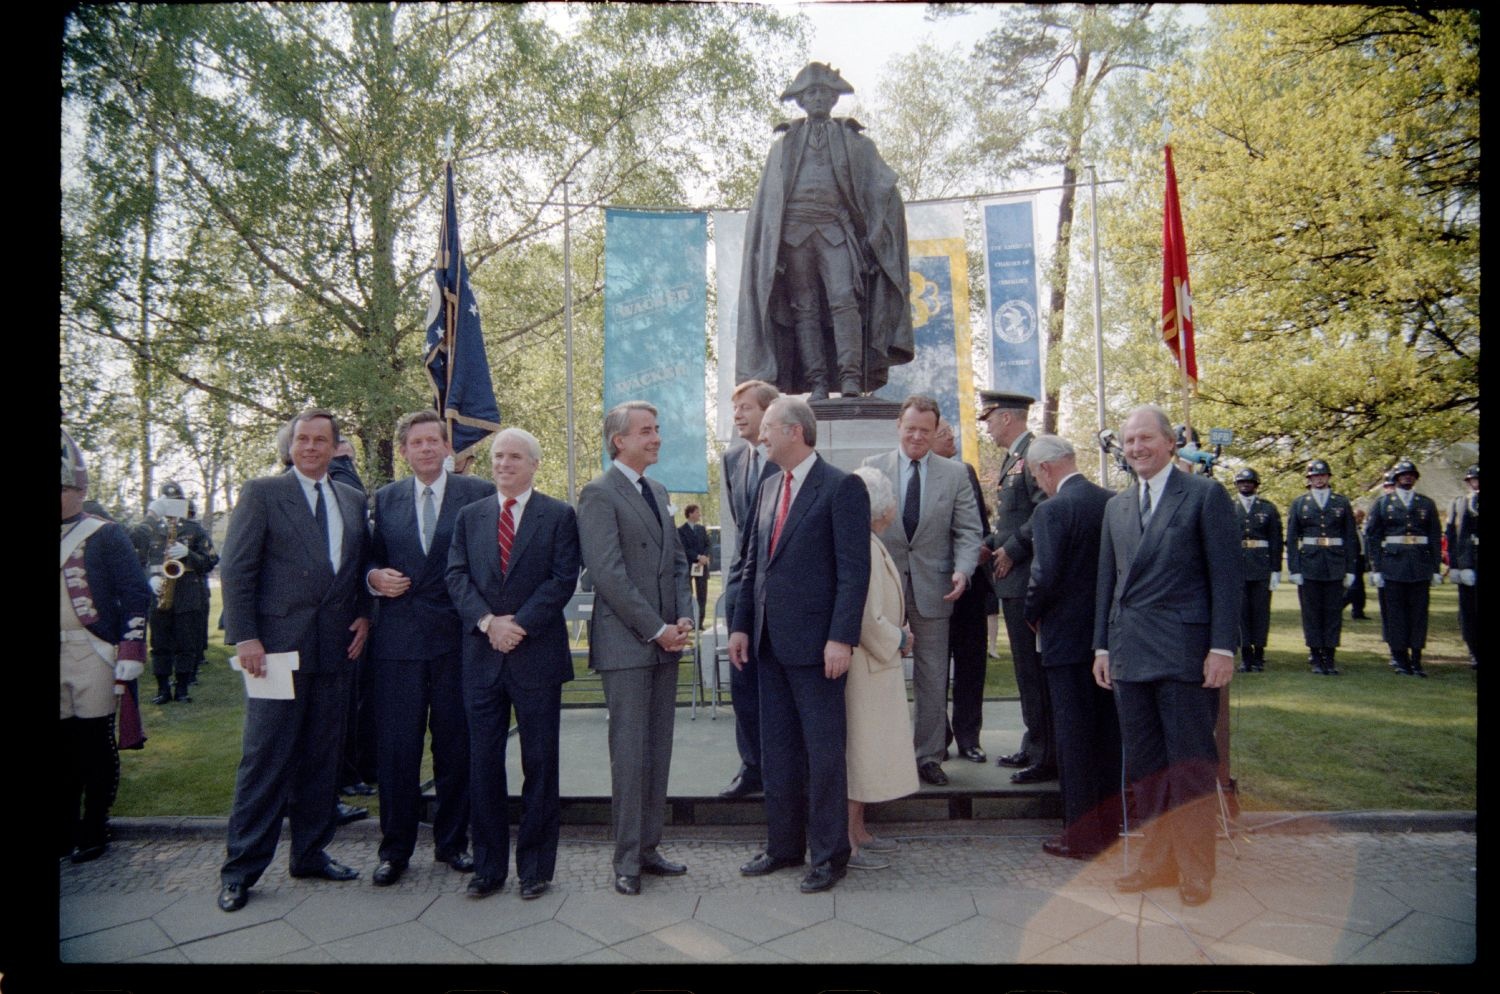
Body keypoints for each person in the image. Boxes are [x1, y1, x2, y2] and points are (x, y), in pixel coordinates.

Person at [217, 408, 372, 913]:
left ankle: (310, 853)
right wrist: (245, 639)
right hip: (274, 652)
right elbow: (237, 568)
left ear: (334, 447)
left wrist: (365, 617)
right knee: (265, 759)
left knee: (322, 760)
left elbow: (357, 567)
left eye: (320, 440)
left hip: (334, 650)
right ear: (290, 446)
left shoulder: (350, 498)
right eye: (302, 439)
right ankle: (240, 869)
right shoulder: (263, 493)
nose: (310, 447)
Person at [1093, 405, 1241, 907]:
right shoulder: (1116, 507)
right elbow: (1107, 586)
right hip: (1130, 655)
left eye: (1146, 439)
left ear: (1170, 442)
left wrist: (1222, 647)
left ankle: (1196, 870)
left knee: (1190, 767)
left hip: (1184, 656)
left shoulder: (1203, 495)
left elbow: (1226, 578)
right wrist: (1102, 645)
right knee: (1147, 769)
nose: (1136, 448)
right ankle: (1157, 864)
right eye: (1130, 441)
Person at [730, 397, 869, 893]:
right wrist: (741, 626)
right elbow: (753, 566)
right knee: (779, 751)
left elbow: (854, 573)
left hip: (818, 650)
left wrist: (841, 638)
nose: (760, 436)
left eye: (767, 427)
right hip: (768, 644)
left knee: (824, 754)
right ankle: (783, 846)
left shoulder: (841, 487)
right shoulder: (768, 488)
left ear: (794, 431)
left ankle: (830, 855)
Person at [447, 428, 580, 900]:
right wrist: (488, 623)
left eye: (515, 457)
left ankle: (536, 870)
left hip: (536, 657)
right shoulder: (470, 516)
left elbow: (563, 579)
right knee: (483, 764)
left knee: (540, 765)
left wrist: (516, 625)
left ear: (534, 464)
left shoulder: (559, 516)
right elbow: (456, 576)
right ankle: (488, 867)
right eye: (498, 456)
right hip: (482, 658)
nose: (504, 464)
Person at [365, 411, 495, 888]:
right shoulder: (386, 497)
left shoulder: (475, 494)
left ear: (446, 447)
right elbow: (370, 557)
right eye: (415, 442)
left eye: (432, 441)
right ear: (403, 451)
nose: (424, 449)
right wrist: (374, 578)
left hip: (457, 642)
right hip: (397, 646)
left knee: (455, 747)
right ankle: (394, 850)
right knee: (397, 751)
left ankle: (451, 843)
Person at [736, 62, 913, 401]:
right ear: (800, 101)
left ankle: (849, 378)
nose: (817, 98)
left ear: (834, 98)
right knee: (804, 307)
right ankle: (817, 382)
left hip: (836, 230)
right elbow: (768, 205)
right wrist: (770, 251)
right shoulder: (782, 147)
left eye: (824, 92)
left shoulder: (856, 143)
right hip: (793, 236)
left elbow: (883, 189)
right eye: (810, 93)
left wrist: (875, 236)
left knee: (845, 302)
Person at [576, 401, 694, 896]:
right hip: (629, 645)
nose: (657, 438)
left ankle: (649, 848)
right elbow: (608, 575)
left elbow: (678, 563)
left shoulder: (659, 490)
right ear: (618, 440)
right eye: (647, 431)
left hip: (665, 642)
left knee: (657, 751)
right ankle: (626, 860)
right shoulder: (599, 494)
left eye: (658, 430)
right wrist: (656, 628)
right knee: (629, 754)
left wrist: (685, 615)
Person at [860, 396, 982, 785]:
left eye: (925, 430)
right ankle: (881, 754)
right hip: (882, 588)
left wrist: (964, 570)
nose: (916, 436)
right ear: (898, 425)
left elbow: (968, 531)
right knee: (879, 670)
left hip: (937, 589)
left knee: (932, 677)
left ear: (936, 431)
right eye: (910, 428)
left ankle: (928, 755)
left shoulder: (956, 474)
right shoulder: (871, 469)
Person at [1023, 435, 1122, 860]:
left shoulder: (1052, 511)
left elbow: (1043, 578)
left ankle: (1081, 835)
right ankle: (1113, 825)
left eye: (1035, 476)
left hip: (1065, 641)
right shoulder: (1114, 502)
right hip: (1110, 640)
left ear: (1045, 469)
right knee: (1107, 736)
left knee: (1074, 739)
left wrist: (1031, 613)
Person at [61, 428, 151, 863]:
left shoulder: (104, 534)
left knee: (93, 739)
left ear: (79, 489)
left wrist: (131, 649)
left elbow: (136, 593)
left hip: (92, 648)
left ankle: (94, 825)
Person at [845, 467, 919, 870]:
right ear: (883, 508)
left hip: (875, 667)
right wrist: (901, 640)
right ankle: (848, 840)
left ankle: (859, 831)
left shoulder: (871, 542)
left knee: (866, 756)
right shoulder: (865, 545)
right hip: (866, 667)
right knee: (859, 756)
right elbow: (866, 618)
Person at [980, 390, 1054, 784]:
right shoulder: (1015, 458)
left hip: (1028, 582)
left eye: (989, 419)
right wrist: (992, 545)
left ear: (1006, 418)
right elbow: (1013, 518)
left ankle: (1045, 753)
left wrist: (1013, 546)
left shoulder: (1036, 453)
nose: (988, 428)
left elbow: (1047, 509)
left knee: (1034, 670)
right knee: (1026, 671)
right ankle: (1034, 741)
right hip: (1013, 582)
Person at [718, 379, 781, 800]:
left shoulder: (791, 460)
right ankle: (751, 766)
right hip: (742, 587)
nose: (737, 414)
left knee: (775, 685)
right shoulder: (733, 458)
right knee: (742, 684)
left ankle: (781, 768)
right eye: (734, 407)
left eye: (746, 407)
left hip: (779, 594)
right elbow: (743, 531)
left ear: (769, 415)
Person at [933, 418, 996, 764]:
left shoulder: (965, 472)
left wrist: (977, 552)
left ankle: (969, 737)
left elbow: (979, 529)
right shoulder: (916, 478)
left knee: (971, 665)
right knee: (936, 667)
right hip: (932, 588)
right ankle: (937, 737)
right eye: (944, 435)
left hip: (969, 587)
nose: (951, 438)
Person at [132, 482, 218, 704]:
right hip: (159, 590)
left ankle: (182, 689)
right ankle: (162, 690)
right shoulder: (151, 529)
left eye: (175, 501)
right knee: (159, 643)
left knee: (186, 643)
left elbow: (211, 560)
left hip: (188, 592)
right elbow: (136, 561)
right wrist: (149, 579)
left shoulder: (195, 530)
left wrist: (189, 554)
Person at [1365, 460, 1443, 677]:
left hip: (1419, 565)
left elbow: (1435, 536)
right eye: (1403, 475)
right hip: (1393, 565)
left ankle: (1417, 659)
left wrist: (1435, 568)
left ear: (1415, 478)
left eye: (1411, 475)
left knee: (1418, 613)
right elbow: (1373, 536)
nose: (1407, 478)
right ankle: (1399, 657)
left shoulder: (1426, 503)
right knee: (1395, 613)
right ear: (1396, 478)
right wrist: (1376, 568)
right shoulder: (1383, 503)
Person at [1285, 460, 1359, 675]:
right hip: (1310, 564)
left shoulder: (1341, 502)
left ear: (1328, 477)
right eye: (1314, 476)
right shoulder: (1300, 503)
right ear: (1308, 479)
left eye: (1322, 475)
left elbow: (1350, 537)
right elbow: (1291, 539)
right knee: (1311, 612)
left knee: (1333, 612)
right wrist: (1295, 569)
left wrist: (1351, 569)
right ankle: (1316, 654)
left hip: (1335, 564)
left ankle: (1330, 655)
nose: (1319, 479)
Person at [1232, 469, 1282, 673]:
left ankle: (1259, 655)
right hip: (1237, 567)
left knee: (1260, 613)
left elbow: (1276, 540)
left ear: (1256, 484)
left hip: (1261, 566)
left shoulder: (1268, 508)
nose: (1245, 485)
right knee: (1241, 613)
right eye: (1242, 482)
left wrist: (1276, 569)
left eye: (1249, 482)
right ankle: (1245, 656)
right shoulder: (1228, 507)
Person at [1446, 465, 1478, 669]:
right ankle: (1474, 649)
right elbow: (1454, 536)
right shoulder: (1460, 503)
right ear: (1468, 482)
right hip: (1471, 561)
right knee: (1470, 610)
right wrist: (1457, 565)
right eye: (1474, 480)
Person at [678, 504, 711, 628]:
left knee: (702, 594)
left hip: (702, 566)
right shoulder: (681, 530)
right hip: (689, 566)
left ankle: (700, 622)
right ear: (690, 514)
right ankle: (690, 620)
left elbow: (708, 545)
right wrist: (698, 557)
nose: (699, 515)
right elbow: (684, 548)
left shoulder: (701, 529)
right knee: (689, 594)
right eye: (697, 512)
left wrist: (705, 557)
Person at [1345, 507, 1370, 620]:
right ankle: (1338, 607)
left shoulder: (1360, 530)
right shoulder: (1348, 531)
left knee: (1360, 588)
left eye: (1361, 517)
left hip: (1361, 559)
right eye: (1358, 516)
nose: (1360, 519)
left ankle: (1358, 611)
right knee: (1354, 588)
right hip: (1353, 560)